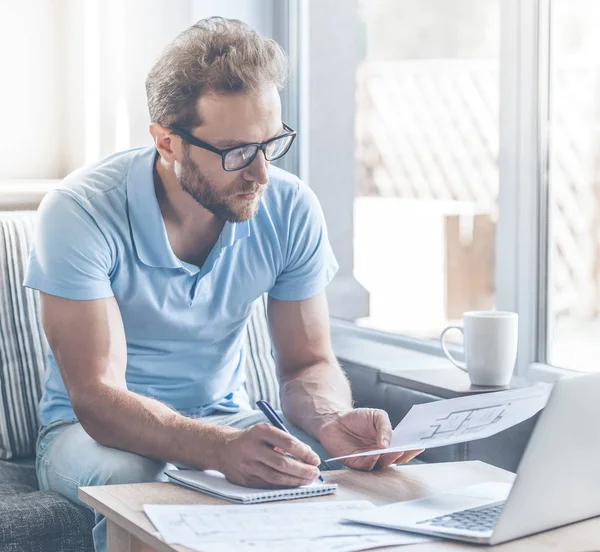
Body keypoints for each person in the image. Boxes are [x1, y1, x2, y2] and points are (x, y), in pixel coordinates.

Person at [25, 16, 422, 551]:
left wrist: (330, 421)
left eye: (270, 143)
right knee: (140, 481)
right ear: (167, 141)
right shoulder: (80, 212)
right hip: (90, 436)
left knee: (357, 474)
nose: (260, 173)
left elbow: (307, 363)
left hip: (226, 416)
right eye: (237, 152)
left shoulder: (289, 205)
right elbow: (98, 398)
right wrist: (219, 449)